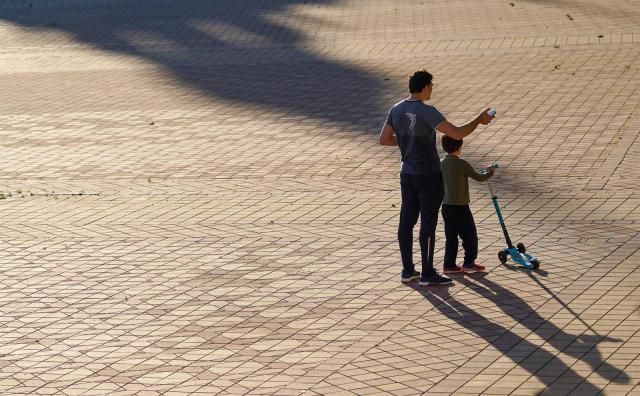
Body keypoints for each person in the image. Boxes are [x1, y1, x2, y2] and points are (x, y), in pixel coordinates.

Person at [379, 69, 494, 286]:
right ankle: (427, 272)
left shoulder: (396, 109)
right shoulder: (428, 112)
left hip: (407, 174)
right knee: (428, 223)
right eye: (431, 87)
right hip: (429, 175)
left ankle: (407, 270)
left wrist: (405, 141)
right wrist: (479, 120)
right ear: (425, 87)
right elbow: (457, 134)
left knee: (407, 221)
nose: (432, 90)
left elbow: (384, 139)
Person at [440, 135, 494, 274]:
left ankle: (449, 264)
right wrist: (490, 172)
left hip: (446, 205)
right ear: (459, 147)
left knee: (451, 236)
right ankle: (469, 262)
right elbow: (479, 177)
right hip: (460, 206)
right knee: (469, 235)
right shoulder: (461, 163)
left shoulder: (441, 163)